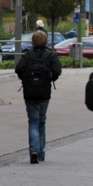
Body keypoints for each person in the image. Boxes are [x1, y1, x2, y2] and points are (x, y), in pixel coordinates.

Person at [14, 29, 61, 164]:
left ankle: (33, 149)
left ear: (33, 41)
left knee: (33, 121)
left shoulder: (28, 55)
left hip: (29, 92)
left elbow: (18, 69)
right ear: (46, 41)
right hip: (44, 93)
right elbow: (57, 71)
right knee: (42, 121)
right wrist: (49, 79)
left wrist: (26, 79)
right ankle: (40, 152)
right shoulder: (49, 55)